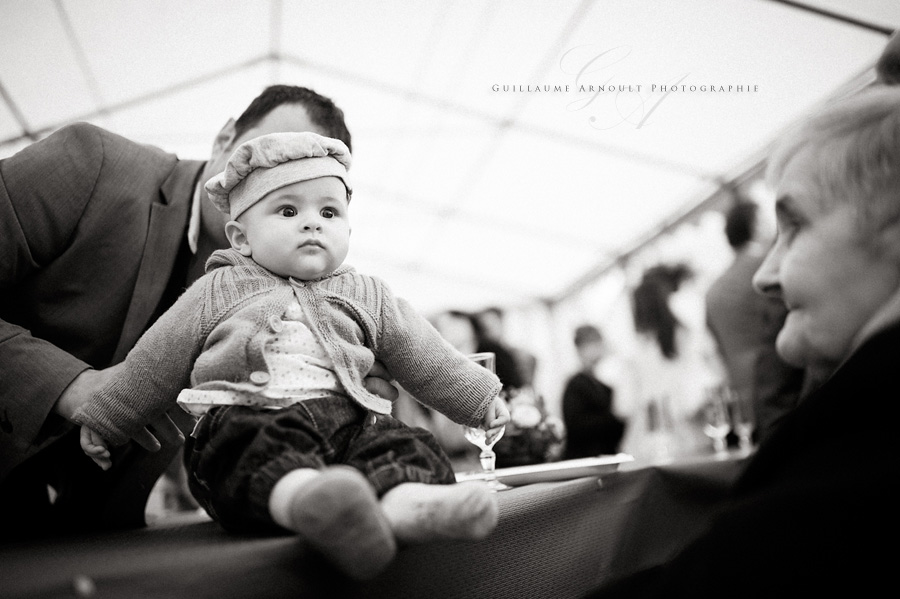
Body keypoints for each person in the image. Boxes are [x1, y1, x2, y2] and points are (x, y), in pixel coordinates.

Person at [74, 132, 510, 580]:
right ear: (241, 238)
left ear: (348, 230)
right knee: (249, 454)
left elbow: (426, 355)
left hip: (347, 427)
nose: (312, 223)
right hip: (246, 416)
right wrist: (111, 415)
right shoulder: (217, 289)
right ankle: (313, 501)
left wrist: (476, 398)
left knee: (401, 443)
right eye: (287, 210)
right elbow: (155, 360)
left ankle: (405, 509)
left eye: (328, 212)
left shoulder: (367, 293)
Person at [0, 85, 398, 537]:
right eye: (265, 156)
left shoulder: (303, 292)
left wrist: (338, 385)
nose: (278, 184)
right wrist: (73, 385)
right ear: (225, 139)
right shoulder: (89, 165)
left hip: (87, 543)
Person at [585, 84, 900, 598]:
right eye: (773, 231)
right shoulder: (852, 433)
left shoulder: (859, 457)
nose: (766, 276)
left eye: (795, 226)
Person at [705, 199, 805, 442]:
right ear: (756, 225)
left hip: (741, 400)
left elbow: (718, 349)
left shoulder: (713, 292)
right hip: (784, 389)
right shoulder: (770, 268)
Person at [621, 264, 721, 462]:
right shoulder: (686, 336)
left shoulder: (634, 350)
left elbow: (623, 405)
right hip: (688, 429)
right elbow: (708, 382)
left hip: (649, 432)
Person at [561, 325, 625, 458]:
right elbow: (576, 425)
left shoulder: (602, 382)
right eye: (593, 344)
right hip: (585, 457)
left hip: (604, 454)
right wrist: (613, 419)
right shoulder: (576, 383)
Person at [474, 307, 537, 388]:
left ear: (501, 322)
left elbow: (524, 387)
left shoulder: (522, 356)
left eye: (492, 324)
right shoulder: (479, 355)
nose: (489, 329)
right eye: (484, 326)